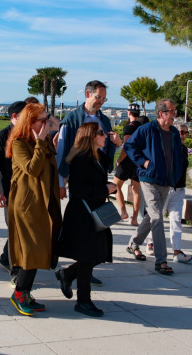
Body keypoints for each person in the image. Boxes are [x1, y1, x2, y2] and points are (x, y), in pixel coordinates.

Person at [56, 80, 120, 286]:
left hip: (98, 181)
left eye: (103, 98)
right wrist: (60, 182)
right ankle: (81, 271)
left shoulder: (105, 120)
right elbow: (62, 152)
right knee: (86, 233)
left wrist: (117, 146)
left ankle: (81, 270)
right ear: (87, 94)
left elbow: (107, 150)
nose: (101, 101)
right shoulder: (72, 119)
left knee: (97, 234)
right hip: (81, 183)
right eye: (98, 97)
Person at [5, 103, 62, 316]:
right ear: (29, 122)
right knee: (30, 251)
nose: (46, 123)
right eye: (42, 120)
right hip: (27, 204)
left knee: (40, 249)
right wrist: (39, 142)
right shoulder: (19, 143)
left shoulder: (43, 139)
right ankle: (19, 293)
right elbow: (33, 169)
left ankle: (25, 292)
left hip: (44, 201)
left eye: (47, 119)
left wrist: (44, 137)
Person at [56, 122, 116, 317]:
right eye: (101, 133)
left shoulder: (95, 156)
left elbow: (108, 164)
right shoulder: (82, 159)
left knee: (98, 253)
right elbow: (78, 189)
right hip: (83, 214)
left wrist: (116, 144)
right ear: (90, 136)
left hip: (92, 211)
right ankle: (83, 301)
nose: (105, 135)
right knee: (88, 256)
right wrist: (105, 189)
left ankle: (67, 274)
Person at [123, 99, 184, 276]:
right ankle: (161, 260)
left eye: (175, 110)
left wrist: (176, 175)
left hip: (166, 181)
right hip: (149, 179)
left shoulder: (173, 132)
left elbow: (178, 156)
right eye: (172, 111)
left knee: (151, 217)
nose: (175, 114)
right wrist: (144, 162)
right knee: (157, 217)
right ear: (161, 114)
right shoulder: (146, 129)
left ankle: (133, 244)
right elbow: (130, 145)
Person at [0, 101, 26, 283]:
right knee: (16, 232)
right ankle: (16, 273)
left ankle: (5, 258)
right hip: (9, 192)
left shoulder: (29, 135)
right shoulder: (1, 137)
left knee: (18, 231)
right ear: (14, 117)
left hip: (28, 193)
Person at [147, 123, 192, 263]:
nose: (183, 135)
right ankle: (151, 243)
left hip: (179, 189)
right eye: (181, 132)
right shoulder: (166, 146)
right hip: (165, 187)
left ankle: (177, 251)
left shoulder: (183, 149)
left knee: (176, 220)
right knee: (157, 217)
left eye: (186, 133)